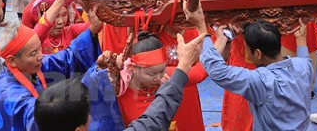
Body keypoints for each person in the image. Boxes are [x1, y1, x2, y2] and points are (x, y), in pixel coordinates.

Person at [35, 33, 206, 131]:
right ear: (133, 68)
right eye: (152, 73)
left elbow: (199, 73)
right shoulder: (118, 87)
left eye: (161, 71)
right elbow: (155, 118)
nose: (158, 77)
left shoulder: (164, 77)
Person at [184, 2, 313, 131]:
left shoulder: (262, 81)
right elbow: (304, 57)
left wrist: (201, 28)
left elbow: (218, 71)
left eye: (248, 51)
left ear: (258, 53)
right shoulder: (303, 66)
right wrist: (301, 39)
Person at [0, 6, 101, 131]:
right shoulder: (8, 94)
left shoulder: (30, 66)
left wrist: (92, 30)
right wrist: (97, 76)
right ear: (12, 60)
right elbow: (45, 118)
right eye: (33, 53)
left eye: (39, 49)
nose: (40, 56)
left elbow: (66, 58)